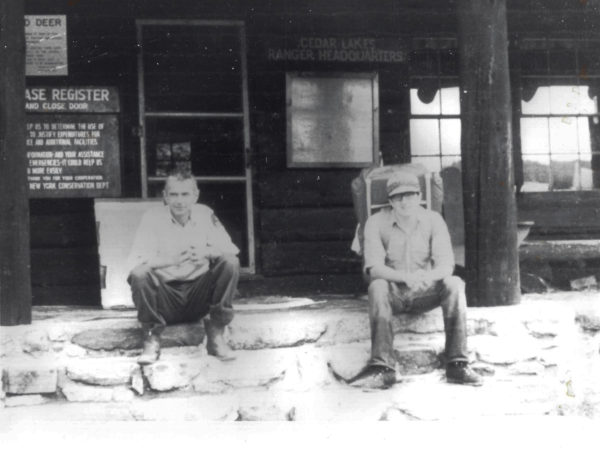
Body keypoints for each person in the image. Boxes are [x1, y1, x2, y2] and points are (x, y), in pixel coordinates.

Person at [349, 171, 482, 389]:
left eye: (410, 195)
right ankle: (383, 368)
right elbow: (374, 268)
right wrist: (405, 277)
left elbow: (446, 264)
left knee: (455, 283)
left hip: (426, 291)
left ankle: (457, 363)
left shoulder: (433, 220)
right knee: (377, 286)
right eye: (398, 197)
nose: (404, 202)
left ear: (419, 196)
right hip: (395, 293)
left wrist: (426, 277)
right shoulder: (375, 222)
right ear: (390, 200)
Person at [126, 169, 240, 365]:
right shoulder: (152, 217)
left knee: (230, 262)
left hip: (198, 296)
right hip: (165, 299)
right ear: (165, 196)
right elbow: (134, 264)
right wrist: (169, 260)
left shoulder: (205, 214)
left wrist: (207, 252)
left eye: (185, 194)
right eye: (174, 194)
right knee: (140, 274)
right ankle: (151, 339)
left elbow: (231, 250)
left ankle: (216, 335)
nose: (180, 201)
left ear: (196, 195)